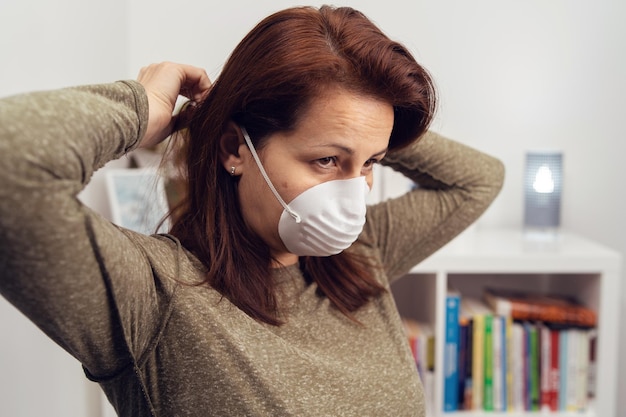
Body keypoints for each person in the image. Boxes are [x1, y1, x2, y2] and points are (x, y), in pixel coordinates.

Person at [0, 5, 504, 417]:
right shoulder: (152, 294)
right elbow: (9, 164)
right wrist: (143, 107)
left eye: (371, 163)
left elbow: (478, 179)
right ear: (233, 150)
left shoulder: (362, 254)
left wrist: (362, 114)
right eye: (326, 160)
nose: (354, 194)